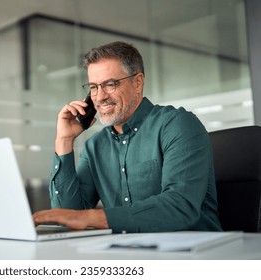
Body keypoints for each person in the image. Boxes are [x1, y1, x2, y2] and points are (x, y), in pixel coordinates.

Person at [33, 41, 222, 233]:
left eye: (110, 84)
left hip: (192, 252)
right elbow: (69, 215)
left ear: (137, 82)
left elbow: (179, 206)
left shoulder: (177, 125)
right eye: (93, 87)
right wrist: (64, 140)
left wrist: (92, 217)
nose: (99, 97)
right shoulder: (95, 146)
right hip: (128, 252)